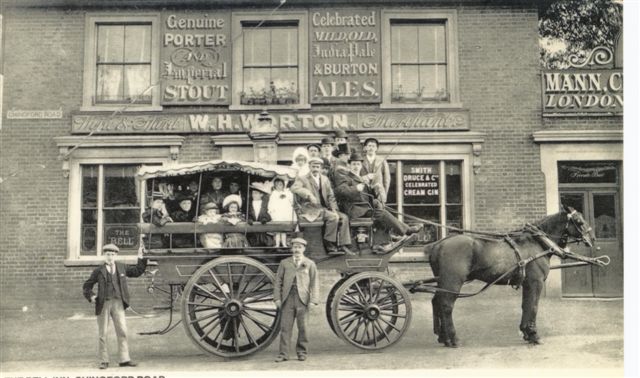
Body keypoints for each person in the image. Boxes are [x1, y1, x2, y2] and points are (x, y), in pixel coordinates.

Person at [334, 152, 422, 253]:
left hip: (364, 208)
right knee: (381, 214)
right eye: (353, 164)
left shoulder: (362, 179)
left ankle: (382, 243)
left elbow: (368, 197)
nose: (356, 166)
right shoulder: (346, 177)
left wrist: (374, 189)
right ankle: (405, 231)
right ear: (349, 165)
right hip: (355, 209)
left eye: (358, 164)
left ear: (361, 165)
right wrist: (355, 188)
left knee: (381, 212)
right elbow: (340, 191)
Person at [82, 244, 148, 369]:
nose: (110, 257)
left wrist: (141, 257)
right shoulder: (98, 271)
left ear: (116, 255)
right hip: (103, 304)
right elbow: (87, 286)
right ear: (104, 255)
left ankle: (124, 359)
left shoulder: (122, 267)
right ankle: (103, 361)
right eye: (107, 254)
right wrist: (91, 296)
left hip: (118, 303)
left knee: (122, 331)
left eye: (112, 254)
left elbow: (137, 272)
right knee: (103, 333)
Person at [291, 157, 353, 255]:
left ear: (321, 168)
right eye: (313, 166)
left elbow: (330, 196)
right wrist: (308, 194)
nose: (315, 168)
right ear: (309, 167)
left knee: (344, 217)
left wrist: (334, 209)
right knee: (333, 218)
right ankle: (329, 243)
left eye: (317, 166)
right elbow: (294, 188)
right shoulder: (302, 178)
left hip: (325, 208)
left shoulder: (325, 179)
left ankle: (342, 244)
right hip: (311, 209)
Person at [273, 237, 319, 362]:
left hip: (303, 299)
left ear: (304, 248)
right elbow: (278, 282)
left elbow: (314, 283)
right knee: (285, 328)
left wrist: (314, 300)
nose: (297, 249)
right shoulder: (284, 263)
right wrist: (277, 298)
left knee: (303, 328)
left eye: (299, 247)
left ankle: (302, 352)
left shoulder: (310, 264)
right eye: (295, 247)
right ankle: (283, 354)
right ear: (291, 248)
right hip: (287, 299)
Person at [268, 177, 296, 247]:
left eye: (280, 184)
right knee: (278, 229)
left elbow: (291, 201)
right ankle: (277, 243)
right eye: (277, 185)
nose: (279, 186)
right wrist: (271, 211)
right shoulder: (273, 194)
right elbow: (271, 203)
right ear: (274, 186)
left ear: (283, 185)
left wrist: (287, 196)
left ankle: (284, 243)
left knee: (283, 229)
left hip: (285, 212)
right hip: (277, 212)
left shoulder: (287, 192)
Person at [361, 137, 391, 203]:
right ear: (365, 147)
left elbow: (386, 179)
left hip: (379, 193)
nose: (371, 148)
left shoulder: (382, 161)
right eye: (369, 146)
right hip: (364, 193)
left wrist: (384, 193)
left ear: (376, 148)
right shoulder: (360, 161)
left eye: (373, 146)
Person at [247, 182, 273, 247]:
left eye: (256, 193)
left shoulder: (266, 203)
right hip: (253, 229)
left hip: (263, 229)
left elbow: (269, 213)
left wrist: (265, 218)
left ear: (261, 194)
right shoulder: (249, 204)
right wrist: (249, 219)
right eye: (253, 193)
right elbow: (247, 214)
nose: (253, 195)